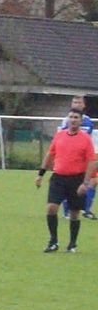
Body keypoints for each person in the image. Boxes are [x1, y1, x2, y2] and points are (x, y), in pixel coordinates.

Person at [36, 107, 96, 253]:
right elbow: (50, 154)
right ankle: (53, 241)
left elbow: (92, 161)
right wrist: (41, 174)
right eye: (71, 117)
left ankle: (72, 244)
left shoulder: (86, 139)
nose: (73, 120)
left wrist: (85, 182)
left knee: (74, 213)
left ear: (80, 121)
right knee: (51, 208)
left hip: (76, 179)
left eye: (76, 117)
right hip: (58, 178)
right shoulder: (59, 136)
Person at [58, 96, 96, 219]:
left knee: (93, 180)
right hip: (70, 157)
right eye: (74, 102)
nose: (76, 104)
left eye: (79, 102)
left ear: (84, 105)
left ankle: (85, 209)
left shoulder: (88, 121)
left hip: (84, 157)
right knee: (69, 183)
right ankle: (67, 211)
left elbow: (87, 138)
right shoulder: (66, 120)